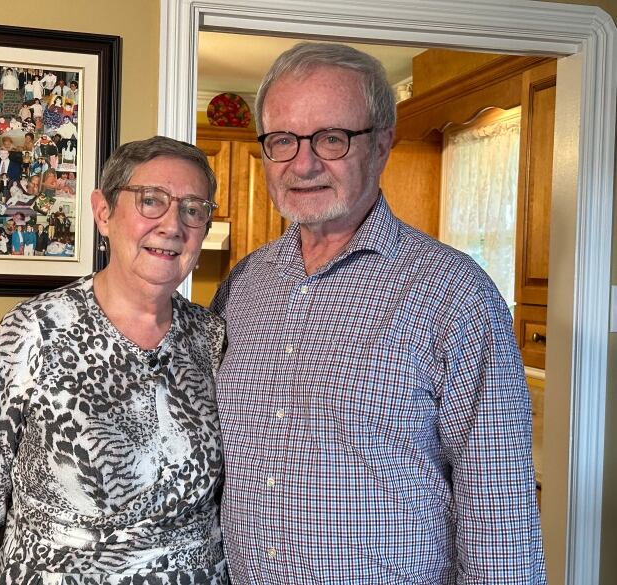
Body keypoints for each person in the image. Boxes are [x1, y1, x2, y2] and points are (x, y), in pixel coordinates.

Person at [212, 42, 545, 584]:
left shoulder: (454, 293)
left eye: (331, 138)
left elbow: (498, 503)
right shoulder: (244, 285)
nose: (304, 163)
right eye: (282, 140)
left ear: (382, 143)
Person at [0, 135, 225, 584]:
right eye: (152, 201)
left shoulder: (209, 335)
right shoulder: (33, 329)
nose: (173, 225)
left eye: (193, 208)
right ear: (104, 212)